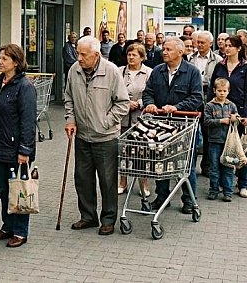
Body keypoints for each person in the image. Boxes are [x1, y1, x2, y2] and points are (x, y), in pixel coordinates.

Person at [64, 36, 130, 236]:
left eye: (84, 54)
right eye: (78, 53)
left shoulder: (111, 71)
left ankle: (108, 219)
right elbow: (68, 98)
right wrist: (70, 119)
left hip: (106, 138)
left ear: (96, 54)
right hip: (82, 136)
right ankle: (88, 216)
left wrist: (106, 122)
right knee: (82, 179)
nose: (80, 58)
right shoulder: (74, 70)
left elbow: (123, 103)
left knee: (107, 180)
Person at [142, 37, 204, 214]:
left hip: (184, 124)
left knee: (186, 164)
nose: (165, 52)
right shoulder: (157, 71)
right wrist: (150, 104)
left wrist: (177, 107)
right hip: (161, 126)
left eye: (168, 49)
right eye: (164, 49)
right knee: (161, 161)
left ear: (180, 51)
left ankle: (189, 200)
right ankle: (162, 197)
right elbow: (148, 92)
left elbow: (197, 98)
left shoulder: (192, 72)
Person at [0, 44, 37, 248]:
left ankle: (20, 232)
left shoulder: (24, 86)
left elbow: (28, 121)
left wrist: (25, 150)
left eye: (4, 59)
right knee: (4, 189)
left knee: (19, 190)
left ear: (15, 62)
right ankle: (7, 226)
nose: (0, 62)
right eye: (0, 58)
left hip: (16, 150)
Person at [207, 35, 247, 199]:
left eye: (230, 46)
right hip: (220, 112)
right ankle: (221, 184)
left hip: (238, 113)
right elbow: (212, 87)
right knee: (222, 149)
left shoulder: (246, 67)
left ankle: (242, 184)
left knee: (240, 149)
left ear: (238, 48)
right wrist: (209, 105)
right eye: (225, 45)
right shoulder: (220, 65)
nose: (226, 48)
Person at [117, 43, 152, 197]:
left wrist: (140, 103)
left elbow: (151, 93)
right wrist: (125, 103)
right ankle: (122, 181)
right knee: (123, 151)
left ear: (142, 57)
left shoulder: (149, 73)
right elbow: (114, 92)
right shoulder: (119, 72)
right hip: (122, 118)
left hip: (141, 119)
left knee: (142, 152)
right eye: (129, 54)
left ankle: (144, 182)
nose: (130, 57)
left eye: (134, 55)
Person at [189, 31, 222, 177]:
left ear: (210, 43)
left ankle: (207, 166)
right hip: (194, 101)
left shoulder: (218, 60)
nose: (199, 45)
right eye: (198, 42)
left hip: (210, 101)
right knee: (193, 134)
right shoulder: (190, 58)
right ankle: (191, 165)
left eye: (203, 43)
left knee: (209, 134)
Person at [203, 78, 241, 202]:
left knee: (228, 166)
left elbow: (237, 120)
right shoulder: (209, 105)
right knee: (214, 167)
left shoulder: (232, 105)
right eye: (219, 90)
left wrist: (237, 119)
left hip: (228, 142)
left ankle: (227, 191)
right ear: (214, 91)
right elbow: (206, 121)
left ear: (228, 91)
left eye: (224, 91)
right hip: (214, 141)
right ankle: (214, 189)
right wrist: (220, 121)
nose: (222, 93)